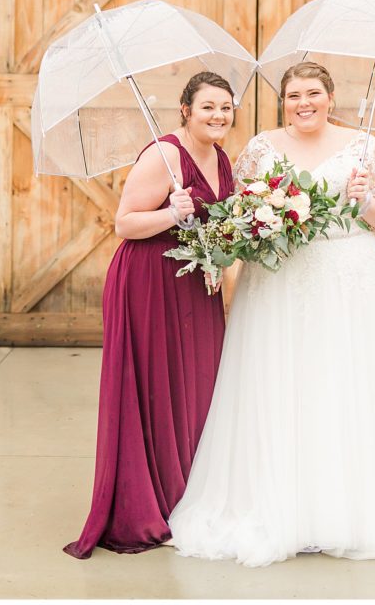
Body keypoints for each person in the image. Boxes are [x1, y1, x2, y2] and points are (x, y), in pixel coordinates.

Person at [169, 61, 375, 566]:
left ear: (330, 98)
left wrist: (366, 199)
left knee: (339, 380)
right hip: (277, 281)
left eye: (313, 93)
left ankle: (339, 504)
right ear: (282, 101)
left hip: (347, 280)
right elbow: (236, 213)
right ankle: (275, 498)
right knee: (278, 380)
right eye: (293, 95)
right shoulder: (262, 148)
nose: (303, 103)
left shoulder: (364, 148)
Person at [63, 71, 235, 558]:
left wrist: (219, 254)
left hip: (194, 284)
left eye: (225, 107)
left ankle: (183, 493)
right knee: (154, 387)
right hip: (148, 281)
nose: (218, 115)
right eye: (208, 107)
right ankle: (142, 506)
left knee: (192, 386)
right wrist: (170, 213)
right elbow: (125, 224)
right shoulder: (162, 155)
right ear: (186, 110)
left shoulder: (220, 156)